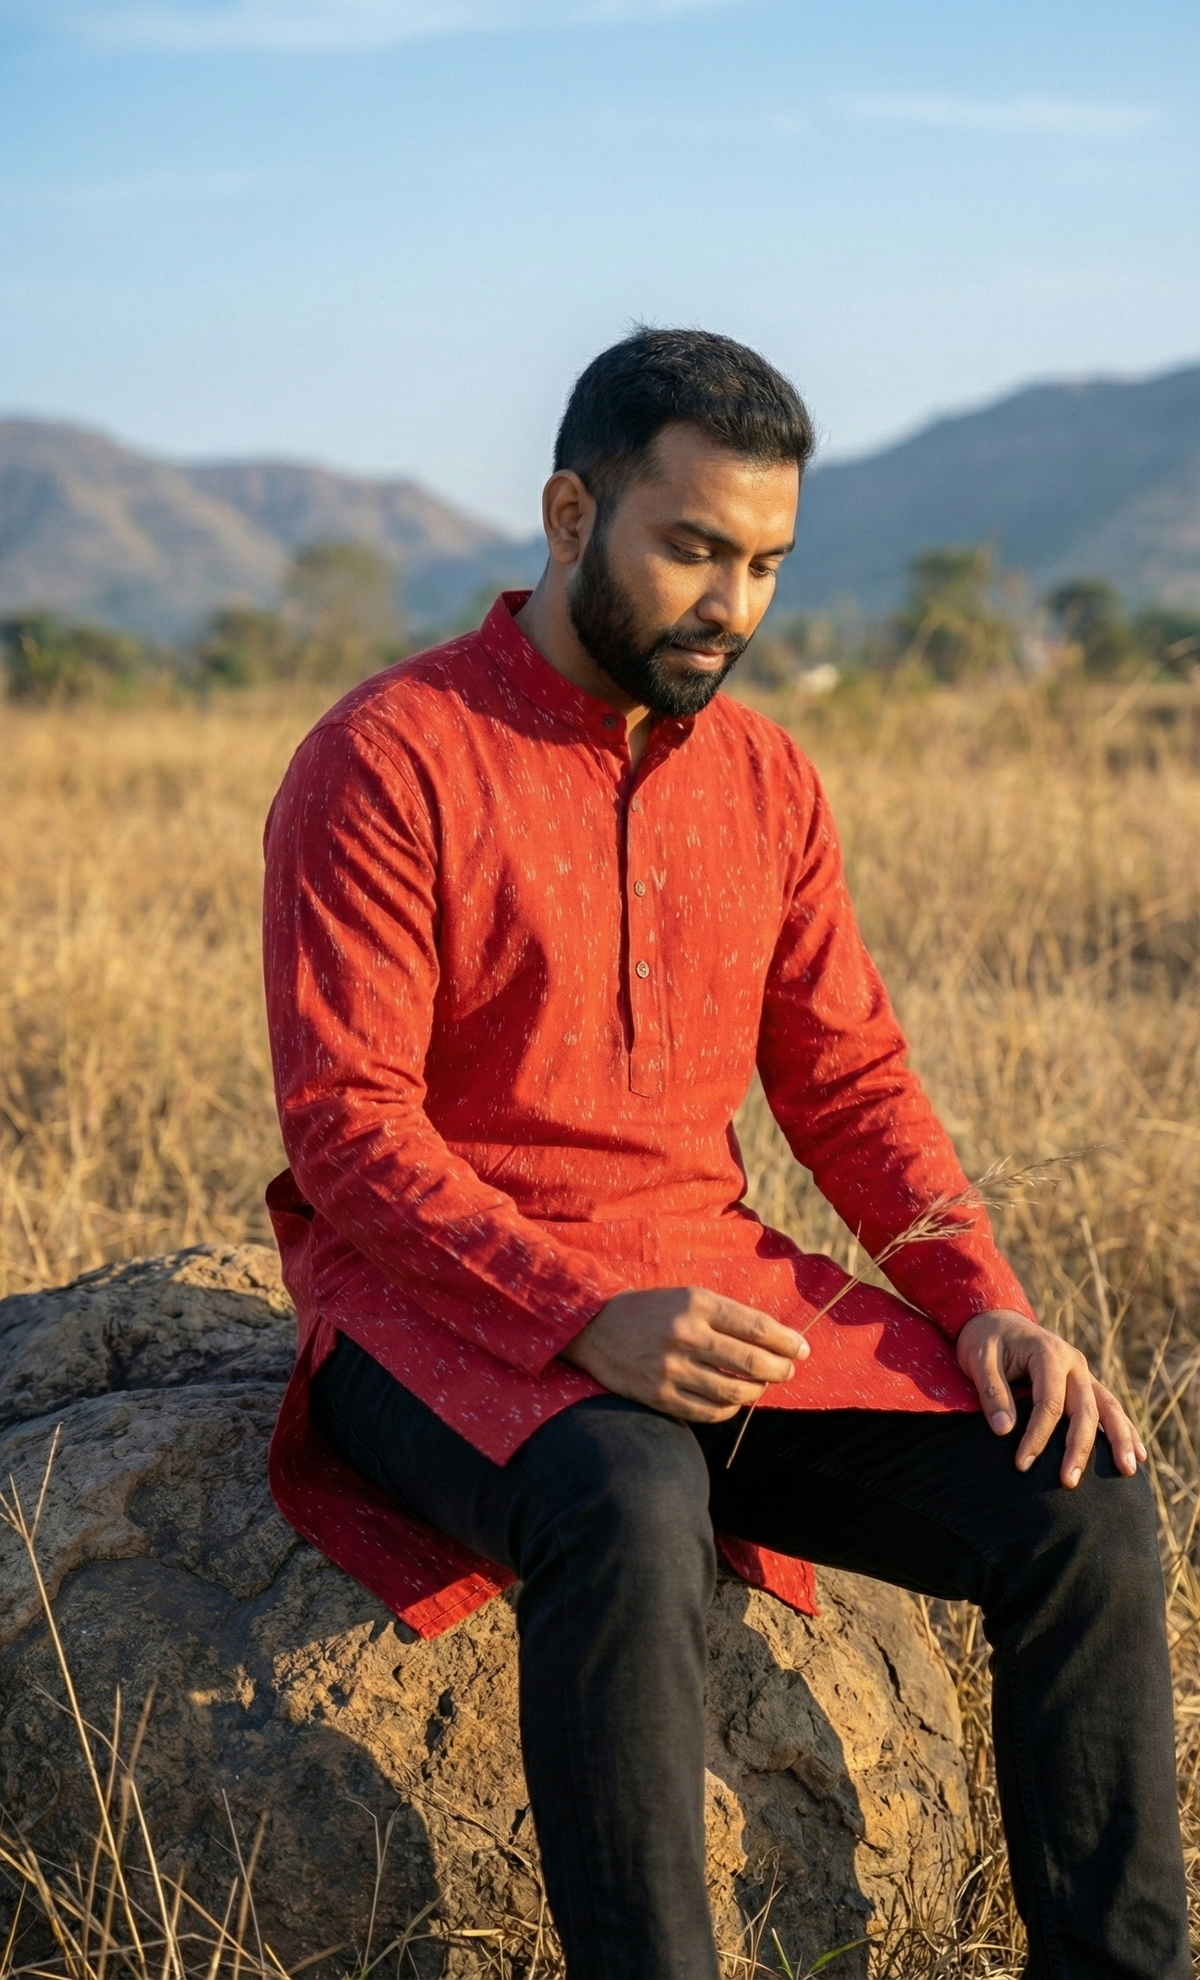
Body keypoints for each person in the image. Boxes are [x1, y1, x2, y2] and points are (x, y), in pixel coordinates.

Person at [261, 328, 1188, 1979]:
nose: (731, 604)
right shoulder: (388, 758)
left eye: (764, 563)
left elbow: (850, 1080)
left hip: (709, 1287)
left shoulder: (767, 779)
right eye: (692, 548)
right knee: (630, 1493)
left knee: (1085, 1498)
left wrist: (983, 1301)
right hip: (431, 1310)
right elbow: (348, 1129)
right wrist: (576, 1316)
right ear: (571, 515)